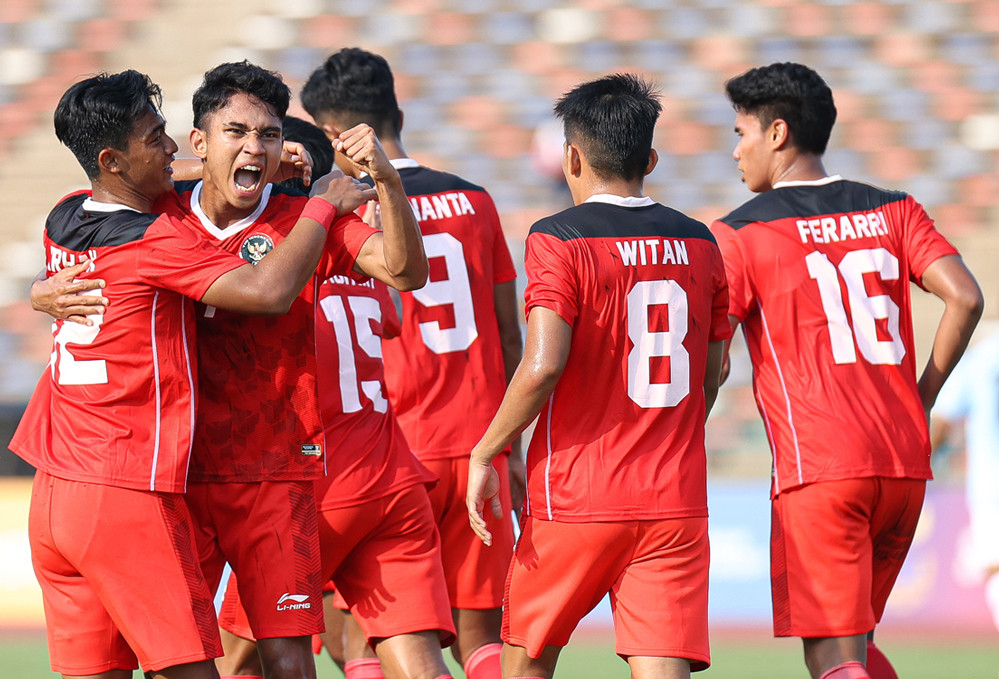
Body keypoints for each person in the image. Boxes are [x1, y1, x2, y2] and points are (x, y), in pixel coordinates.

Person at [11, 70, 373, 679]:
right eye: (156, 138)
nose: (171, 148)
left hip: (53, 485)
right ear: (113, 159)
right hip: (125, 485)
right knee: (188, 670)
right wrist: (320, 203)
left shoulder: (64, 214)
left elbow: (129, 181)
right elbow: (267, 291)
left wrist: (36, 291)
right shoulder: (157, 238)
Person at [709, 62, 984, 679]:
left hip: (822, 468)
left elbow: (713, 357)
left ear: (777, 133)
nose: (736, 151)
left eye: (741, 133)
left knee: (831, 655)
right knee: (856, 645)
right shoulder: (894, 208)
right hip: (904, 466)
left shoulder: (741, 233)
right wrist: (921, 398)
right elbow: (966, 297)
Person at [467, 73, 731, 679]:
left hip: (576, 494)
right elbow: (712, 373)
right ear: (651, 160)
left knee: (526, 665)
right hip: (674, 498)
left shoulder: (557, 237)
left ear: (572, 158)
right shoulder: (700, 241)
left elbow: (543, 365)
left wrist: (487, 450)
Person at [172, 61, 427, 679]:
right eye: (236, 132)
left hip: (275, 472)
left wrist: (387, 181)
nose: (253, 147)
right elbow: (104, 190)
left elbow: (405, 272)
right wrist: (46, 290)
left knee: (286, 658)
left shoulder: (302, 214)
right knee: (175, 654)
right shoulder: (164, 212)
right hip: (179, 471)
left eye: (267, 134)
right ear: (200, 140)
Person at [301, 47, 523, 679]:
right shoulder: (475, 201)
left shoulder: (348, 210)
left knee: (365, 640)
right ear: (396, 114)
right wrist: (511, 446)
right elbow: (510, 336)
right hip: (477, 442)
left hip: (387, 452)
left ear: (331, 134)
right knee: (481, 639)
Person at [214, 115, 457, 679]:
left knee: (234, 660)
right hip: (390, 478)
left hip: (314, 485)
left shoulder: (268, 256)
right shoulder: (352, 250)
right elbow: (393, 316)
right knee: (420, 664)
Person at [931, 325, 999, 632]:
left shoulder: (982, 357)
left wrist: (920, 461)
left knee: (995, 570)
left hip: (991, 486)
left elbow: (943, 419)